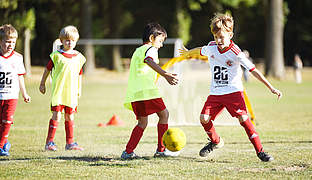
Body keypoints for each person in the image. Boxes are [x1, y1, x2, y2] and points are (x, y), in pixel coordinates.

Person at [180, 13, 282, 162]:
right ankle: (215, 141)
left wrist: (271, 87)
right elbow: (200, 49)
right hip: (215, 93)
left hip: (234, 92)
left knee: (243, 119)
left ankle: (261, 152)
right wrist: (189, 52)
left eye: (222, 37)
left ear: (230, 35)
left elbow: (253, 71)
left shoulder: (236, 53)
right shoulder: (211, 47)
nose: (218, 40)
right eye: (216, 37)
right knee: (204, 118)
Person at [121, 22, 179, 160]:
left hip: (136, 93)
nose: (161, 45)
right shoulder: (151, 49)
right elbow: (149, 60)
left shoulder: (137, 50)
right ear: (152, 38)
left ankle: (128, 152)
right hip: (147, 92)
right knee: (164, 115)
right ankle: (161, 149)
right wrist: (165, 74)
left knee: (142, 123)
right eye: (160, 41)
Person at [39, 25, 86, 151]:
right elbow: (47, 70)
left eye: (72, 40)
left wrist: (79, 89)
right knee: (56, 116)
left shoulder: (78, 57)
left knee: (70, 117)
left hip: (71, 93)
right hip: (58, 92)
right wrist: (42, 83)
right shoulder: (56, 56)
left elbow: (79, 74)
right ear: (61, 41)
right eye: (67, 40)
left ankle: (70, 143)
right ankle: (49, 143)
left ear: (76, 41)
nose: (69, 42)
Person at [0, 24, 31, 156]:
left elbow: (20, 77)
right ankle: (5, 142)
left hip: (12, 95)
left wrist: (25, 93)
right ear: (0, 41)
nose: (10, 45)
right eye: (8, 41)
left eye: (13, 42)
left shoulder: (18, 58)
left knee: (7, 120)